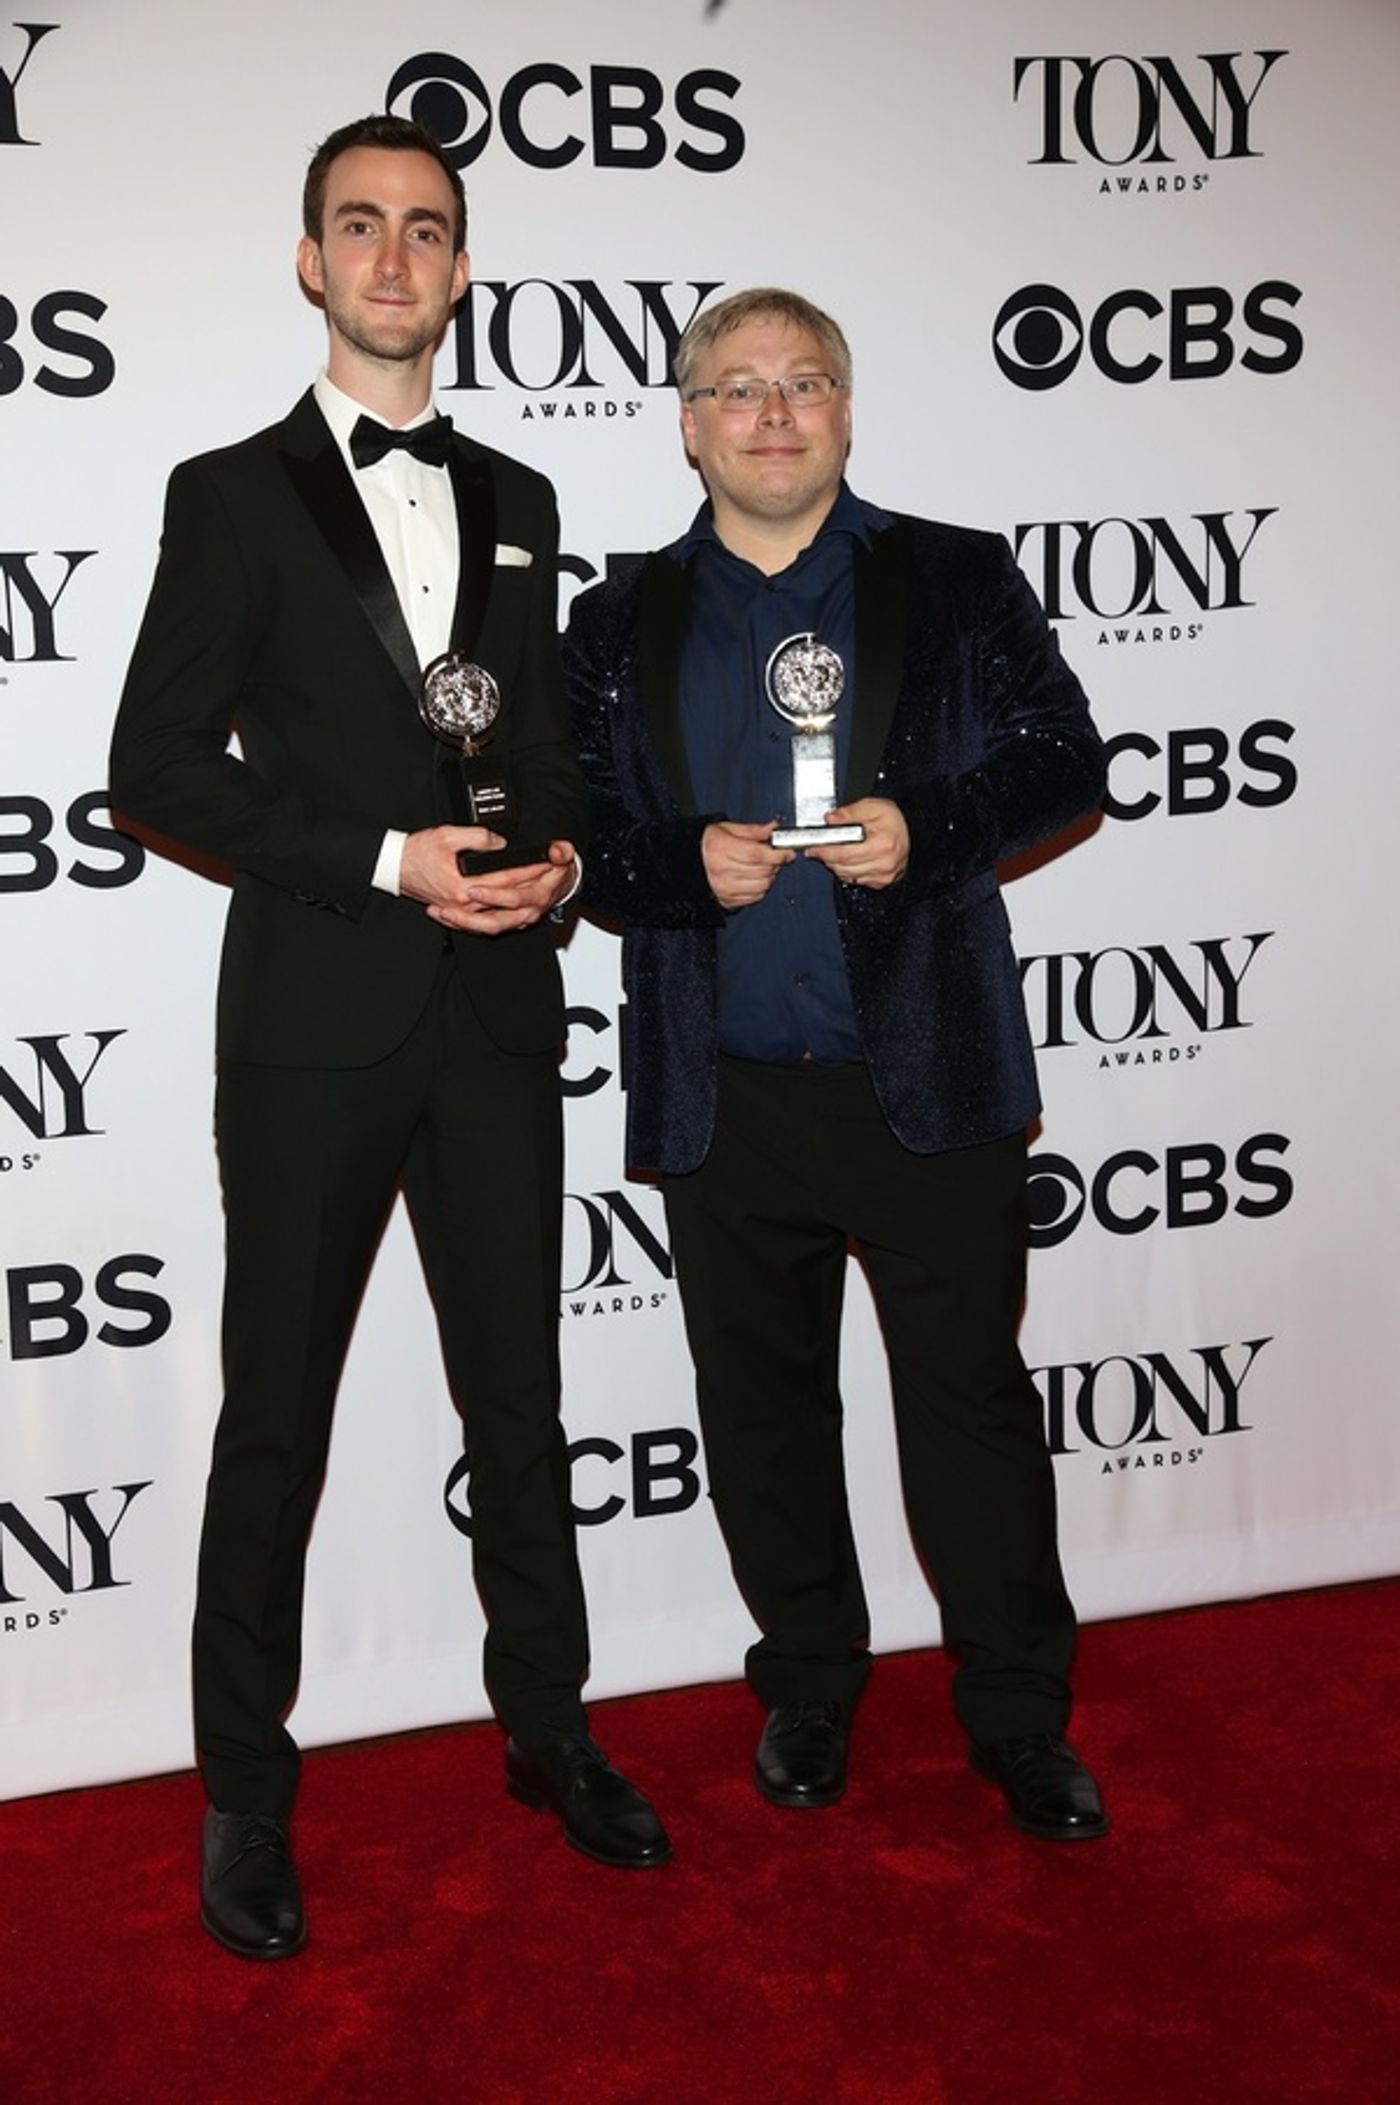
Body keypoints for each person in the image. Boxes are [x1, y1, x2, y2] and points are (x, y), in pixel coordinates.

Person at [111, 114, 669, 1961]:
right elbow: (155, 767)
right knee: (276, 1419)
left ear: (458, 266)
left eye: (427, 229)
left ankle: (550, 1734)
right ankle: (245, 1800)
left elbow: (538, 751)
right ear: (310, 261)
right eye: (360, 226)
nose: (394, 256)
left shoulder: (521, 493)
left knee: (523, 1402)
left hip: (499, 1014)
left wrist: (566, 853)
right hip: (317, 1026)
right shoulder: (229, 489)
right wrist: (382, 857)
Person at [564, 288, 1109, 1843]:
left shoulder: (953, 575)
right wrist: (682, 865)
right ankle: (808, 1682)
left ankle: (1017, 1714)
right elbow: (587, 837)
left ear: (848, 411)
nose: (775, 411)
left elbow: (1069, 755)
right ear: (689, 425)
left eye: (806, 383)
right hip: (729, 1089)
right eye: (738, 388)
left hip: (922, 1075)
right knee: (761, 1410)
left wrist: (931, 830)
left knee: (972, 1409)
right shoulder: (615, 622)